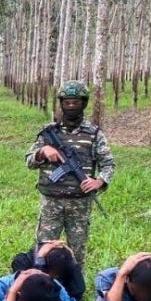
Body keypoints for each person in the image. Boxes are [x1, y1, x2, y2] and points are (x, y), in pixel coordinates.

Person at [25, 81, 115, 270]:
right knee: (44, 250)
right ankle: (42, 287)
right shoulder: (49, 132)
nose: (71, 106)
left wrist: (99, 181)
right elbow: (29, 161)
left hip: (79, 203)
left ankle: (75, 290)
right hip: (51, 202)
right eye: (67, 102)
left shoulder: (94, 134)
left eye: (76, 102)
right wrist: (42, 152)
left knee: (77, 251)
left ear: (84, 103)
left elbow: (108, 164)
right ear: (61, 104)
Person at [11, 240, 86, 301]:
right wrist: (40, 260)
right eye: (54, 274)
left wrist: (73, 261)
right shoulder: (22, 263)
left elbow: (78, 291)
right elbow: (36, 290)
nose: (55, 277)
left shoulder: (64, 264)